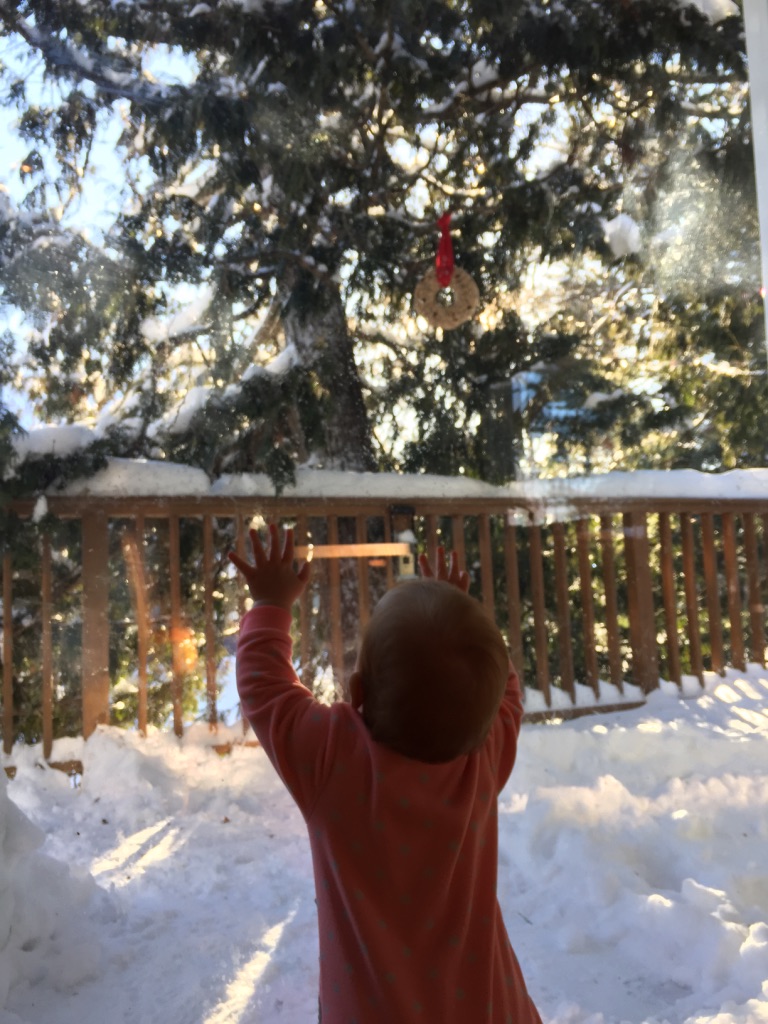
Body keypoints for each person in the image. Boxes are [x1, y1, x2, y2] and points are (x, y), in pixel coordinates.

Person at [229, 523, 542, 1024]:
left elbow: (264, 687)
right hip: (489, 1008)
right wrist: (457, 613)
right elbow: (505, 691)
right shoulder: (484, 758)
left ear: (356, 692)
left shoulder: (333, 762)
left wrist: (270, 602)